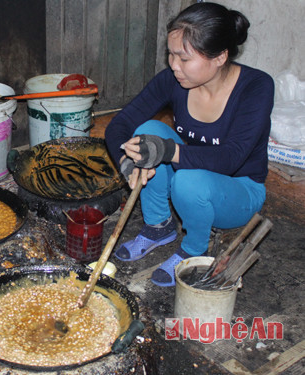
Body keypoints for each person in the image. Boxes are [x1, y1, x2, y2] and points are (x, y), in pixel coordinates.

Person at [105, 2, 274, 287]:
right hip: (191, 173)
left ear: (220, 57)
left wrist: (169, 150)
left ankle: (195, 250)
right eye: (170, 55)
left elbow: (231, 158)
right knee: (146, 132)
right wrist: (127, 162)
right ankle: (158, 227)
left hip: (239, 190)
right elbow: (119, 126)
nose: (173, 66)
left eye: (184, 59)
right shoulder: (173, 80)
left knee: (188, 180)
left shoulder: (256, 87)